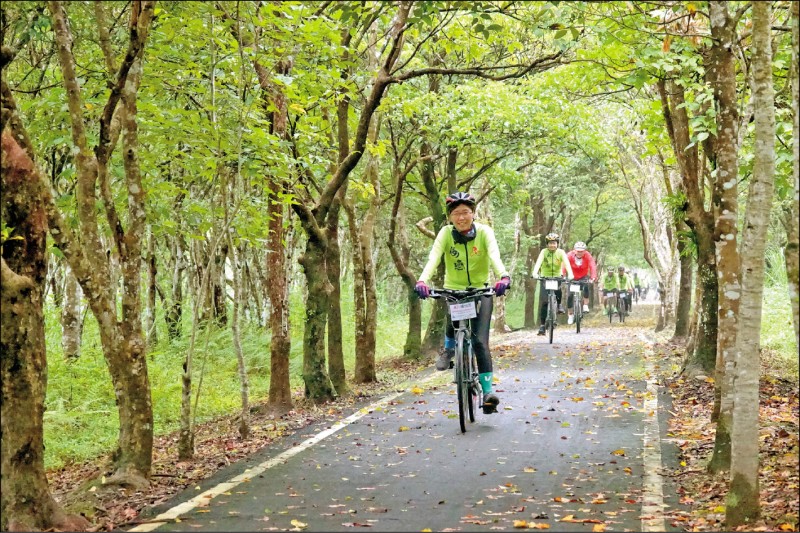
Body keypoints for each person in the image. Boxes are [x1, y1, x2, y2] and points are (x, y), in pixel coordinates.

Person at [414, 191, 511, 414]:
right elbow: (433, 258)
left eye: (466, 212)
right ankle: (449, 349)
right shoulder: (445, 234)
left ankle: (487, 393)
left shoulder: (485, 233)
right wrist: (422, 280)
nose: (461, 217)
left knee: (479, 342)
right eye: (456, 213)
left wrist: (503, 276)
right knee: (453, 315)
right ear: (449, 217)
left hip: (481, 290)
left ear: (474, 214)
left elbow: (495, 256)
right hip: (454, 289)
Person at [531, 232, 574, 335]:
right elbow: (538, 263)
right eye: (550, 243)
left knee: (558, 290)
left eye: (554, 243)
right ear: (547, 244)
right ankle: (542, 326)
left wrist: (570, 274)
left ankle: (559, 305)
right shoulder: (543, 252)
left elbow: (567, 264)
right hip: (545, 277)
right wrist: (535, 273)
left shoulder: (561, 252)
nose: (552, 245)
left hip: (557, 277)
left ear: (557, 243)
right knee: (544, 302)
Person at [563, 241, 596, 325]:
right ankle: (570, 314)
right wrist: (563, 276)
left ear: (585, 251)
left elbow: (592, 266)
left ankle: (585, 305)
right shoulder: (569, 255)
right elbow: (564, 265)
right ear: (574, 250)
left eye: (582, 251)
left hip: (583, 276)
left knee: (586, 287)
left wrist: (593, 277)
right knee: (570, 296)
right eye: (578, 251)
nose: (580, 253)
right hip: (572, 277)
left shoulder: (588, 255)